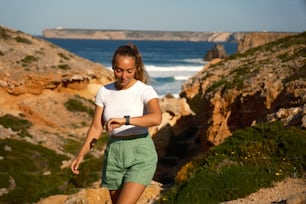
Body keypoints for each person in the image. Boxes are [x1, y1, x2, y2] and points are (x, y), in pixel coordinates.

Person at [70, 43, 162, 204]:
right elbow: (96, 128)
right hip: (114, 153)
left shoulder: (145, 91)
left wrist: (125, 120)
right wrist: (80, 155)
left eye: (129, 71)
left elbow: (156, 118)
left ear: (136, 69)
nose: (124, 76)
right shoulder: (104, 92)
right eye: (119, 70)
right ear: (113, 67)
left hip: (140, 152)